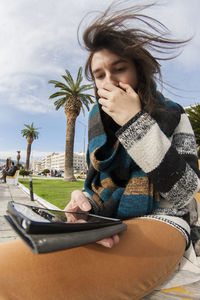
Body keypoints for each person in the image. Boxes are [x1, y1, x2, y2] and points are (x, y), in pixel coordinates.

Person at [0, 3, 200, 299]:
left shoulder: (172, 114)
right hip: (107, 222)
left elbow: (186, 191)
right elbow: (93, 185)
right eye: (99, 75)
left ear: (138, 72)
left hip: (166, 221)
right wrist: (83, 204)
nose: (110, 82)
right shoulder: (97, 123)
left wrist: (135, 123)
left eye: (119, 69)